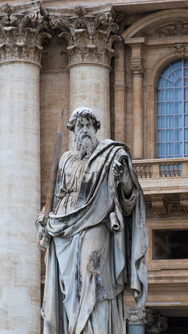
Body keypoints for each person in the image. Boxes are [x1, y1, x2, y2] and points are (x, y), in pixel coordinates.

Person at [36, 107, 147, 334]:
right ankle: (74, 328)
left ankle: (94, 329)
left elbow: (129, 201)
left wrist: (124, 177)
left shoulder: (111, 155)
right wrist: (43, 219)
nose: (84, 130)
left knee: (92, 272)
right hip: (65, 230)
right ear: (73, 131)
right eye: (79, 126)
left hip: (97, 223)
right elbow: (56, 196)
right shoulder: (66, 160)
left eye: (88, 126)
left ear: (96, 128)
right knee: (69, 286)